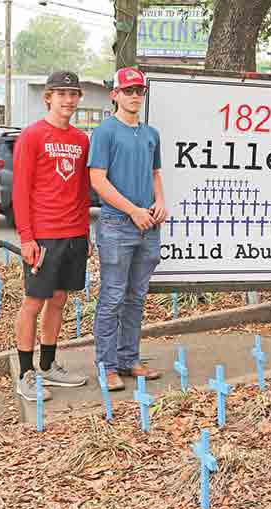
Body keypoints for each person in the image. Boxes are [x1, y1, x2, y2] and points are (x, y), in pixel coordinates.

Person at [12, 71, 92, 401]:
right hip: (43, 235)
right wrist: (27, 237)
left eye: (73, 93)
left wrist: (85, 233)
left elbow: (82, 190)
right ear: (48, 97)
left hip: (73, 233)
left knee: (59, 300)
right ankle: (26, 373)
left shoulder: (81, 139)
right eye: (61, 93)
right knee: (34, 302)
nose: (68, 99)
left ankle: (47, 365)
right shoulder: (32, 136)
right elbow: (20, 189)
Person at [88, 67, 166, 391]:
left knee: (136, 296)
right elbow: (97, 180)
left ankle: (129, 359)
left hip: (148, 224)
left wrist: (160, 200)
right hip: (117, 224)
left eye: (139, 91)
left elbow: (155, 172)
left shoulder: (151, 134)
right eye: (128, 90)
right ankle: (106, 365)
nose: (135, 96)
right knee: (113, 297)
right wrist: (132, 210)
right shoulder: (105, 132)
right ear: (115, 95)